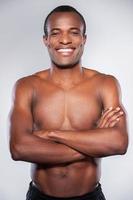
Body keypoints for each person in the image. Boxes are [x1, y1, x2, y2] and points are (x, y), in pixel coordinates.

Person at [9, 5, 128, 200]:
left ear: (84, 39)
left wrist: (50, 134)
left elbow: (119, 143)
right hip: (40, 196)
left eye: (74, 32)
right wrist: (94, 140)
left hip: (90, 196)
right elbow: (19, 148)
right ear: (46, 40)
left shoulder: (105, 84)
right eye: (56, 33)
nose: (65, 40)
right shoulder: (26, 86)